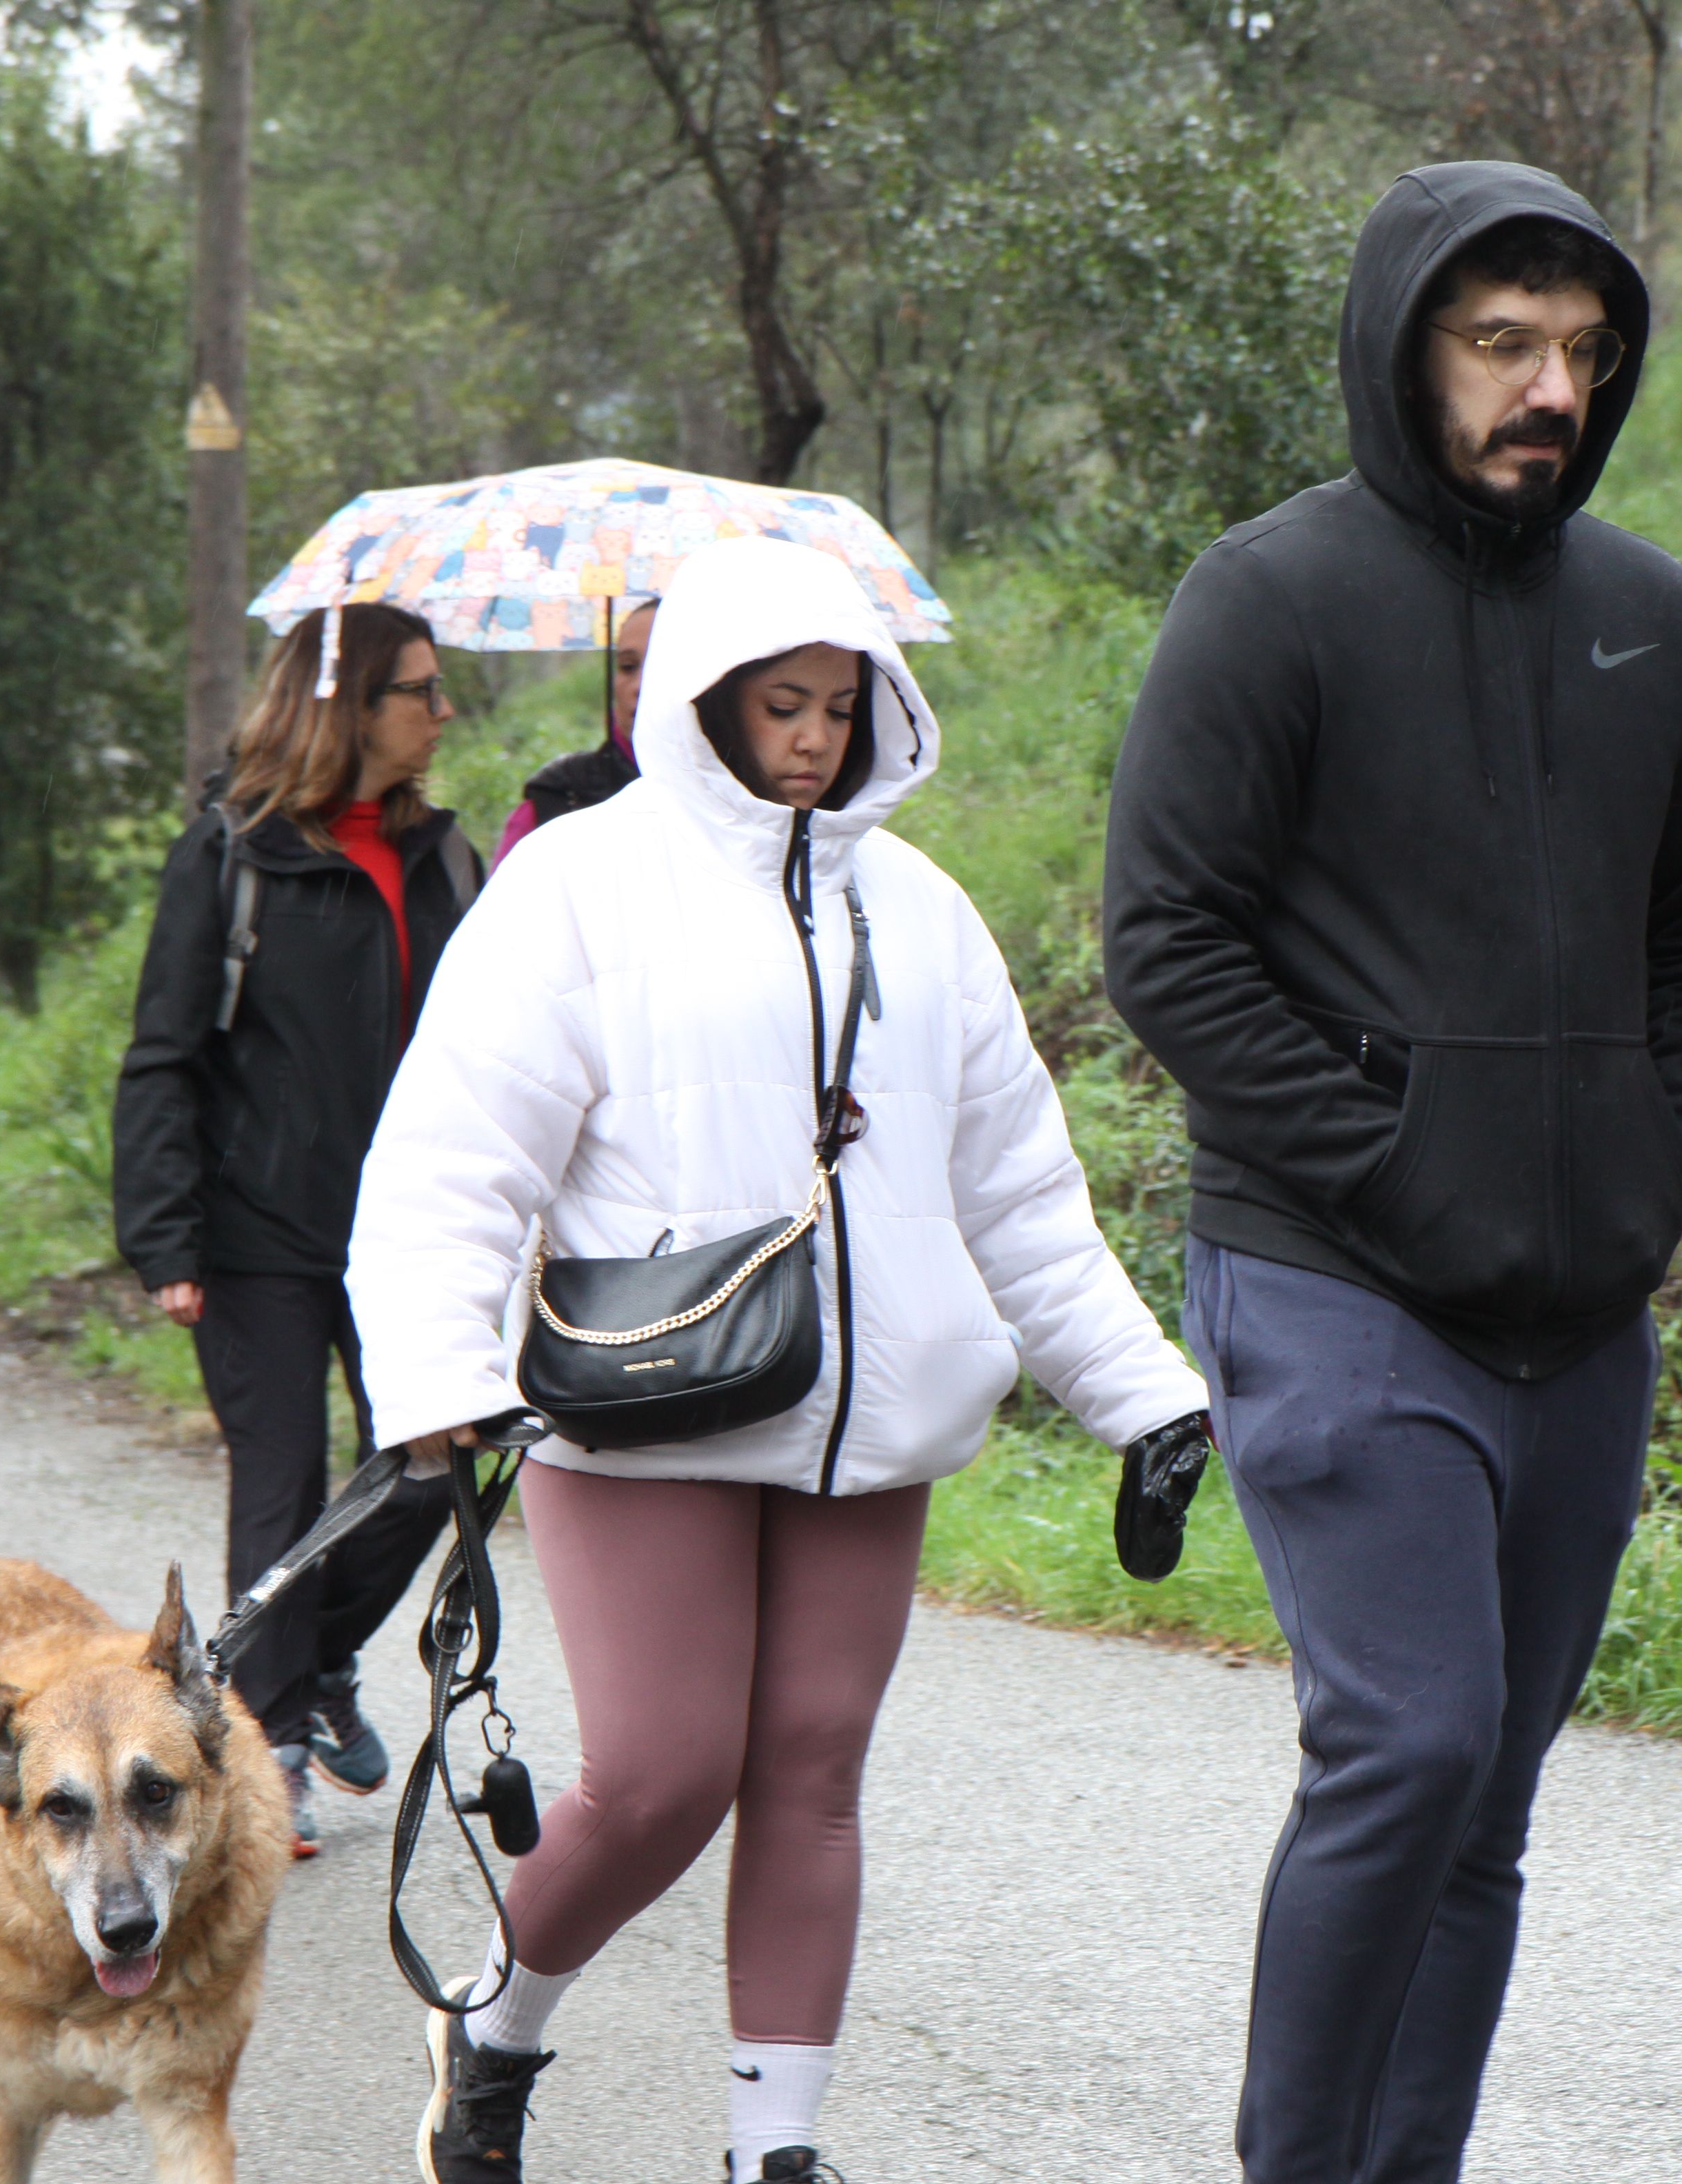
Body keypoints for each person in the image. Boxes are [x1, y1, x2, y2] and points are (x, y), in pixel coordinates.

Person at [349, 535, 1210, 2184]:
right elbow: (453, 1157)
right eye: (780, 705)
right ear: (704, 704)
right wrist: (432, 1371)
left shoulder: (925, 909)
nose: (812, 738)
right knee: (667, 1772)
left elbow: (1018, 1190)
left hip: (865, 1417)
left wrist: (1142, 1392)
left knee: (811, 1771)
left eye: (840, 705)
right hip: (645, 1401)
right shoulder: (579, 882)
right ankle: (498, 2018)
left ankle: (775, 2149)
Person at [1100, 164, 1682, 2183]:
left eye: (1581, 351)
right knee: (1408, 1742)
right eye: (1501, 344)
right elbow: (1170, 941)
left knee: (1489, 1802)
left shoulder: (1647, 615)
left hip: (1584, 1304)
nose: (1547, 385)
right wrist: (1391, 1156)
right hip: (1333, 1275)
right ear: (1409, 352)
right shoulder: (1271, 597)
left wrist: (1654, 1169)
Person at [111, 602, 482, 1857]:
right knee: (282, 1483)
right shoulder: (232, 852)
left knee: (437, 1464)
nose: (441, 713)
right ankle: (265, 1745)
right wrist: (164, 1235)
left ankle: (312, 1659)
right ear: (348, 706)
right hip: (258, 1225)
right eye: (419, 691)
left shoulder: (448, 858)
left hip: (415, 1228)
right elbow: (164, 1054)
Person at [494, 598, 656, 860]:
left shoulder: (739, 798)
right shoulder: (555, 800)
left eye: (662, 666)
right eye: (628, 667)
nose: (640, 685)